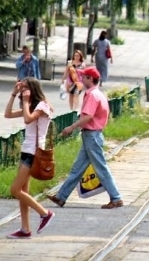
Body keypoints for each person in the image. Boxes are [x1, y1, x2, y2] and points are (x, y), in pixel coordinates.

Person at [48, 66, 124, 209]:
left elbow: (88, 116)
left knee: (101, 168)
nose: (81, 79)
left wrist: (71, 127)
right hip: (92, 135)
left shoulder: (91, 95)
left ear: (90, 79)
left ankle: (116, 198)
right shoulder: (99, 94)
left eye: (83, 77)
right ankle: (61, 197)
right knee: (77, 169)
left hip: (92, 136)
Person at [3, 78, 55, 238]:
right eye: (22, 89)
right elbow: (7, 114)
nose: (23, 92)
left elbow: (27, 119)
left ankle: (45, 213)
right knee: (23, 191)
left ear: (33, 89)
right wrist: (13, 94)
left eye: (25, 88)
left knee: (15, 190)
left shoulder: (42, 106)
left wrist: (25, 101)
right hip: (26, 151)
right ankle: (25, 229)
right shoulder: (31, 106)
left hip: (33, 153)